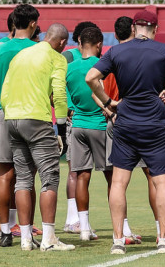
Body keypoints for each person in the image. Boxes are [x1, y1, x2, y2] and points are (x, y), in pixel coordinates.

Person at [87, 9, 165, 256]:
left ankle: (118, 240)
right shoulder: (164, 50)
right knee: (162, 181)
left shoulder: (116, 51)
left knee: (119, 182)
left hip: (126, 122)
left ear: (132, 28)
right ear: (156, 29)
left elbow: (91, 78)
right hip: (156, 123)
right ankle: (163, 240)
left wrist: (108, 102)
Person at [0, 22, 74, 252]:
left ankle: (25, 239)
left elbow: (4, 92)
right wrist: (60, 129)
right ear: (62, 43)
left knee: (22, 179)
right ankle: (49, 238)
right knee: (50, 177)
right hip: (36, 120)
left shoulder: (20, 55)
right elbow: (60, 94)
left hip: (11, 119)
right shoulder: (57, 58)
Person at [0, 5, 39, 247]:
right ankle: (25, 231)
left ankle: (4, 232)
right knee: (28, 177)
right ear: (33, 23)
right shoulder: (38, 49)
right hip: (30, 113)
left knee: (3, 175)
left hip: (4, 113)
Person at [65, 24, 111, 241]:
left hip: (78, 126)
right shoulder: (103, 66)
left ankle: (83, 228)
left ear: (80, 43)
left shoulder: (70, 68)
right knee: (113, 177)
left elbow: (67, 101)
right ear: (99, 44)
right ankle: (122, 228)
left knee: (82, 175)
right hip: (100, 127)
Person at [103, 14, 146, 244]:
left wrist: (109, 108)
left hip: (117, 121)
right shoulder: (141, 54)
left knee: (116, 180)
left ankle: (121, 232)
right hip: (142, 120)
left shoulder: (110, 56)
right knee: (155, 176)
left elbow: (96, 87)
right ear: (133, 29)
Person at [63, 20, 100, 234]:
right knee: (77, 171)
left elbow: (58, 86)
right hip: (93, 122)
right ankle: (73, 218)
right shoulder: (68, 58)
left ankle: (78, 222)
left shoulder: (73, 62)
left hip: (77, 124)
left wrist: (68, 107)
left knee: (78, 172)